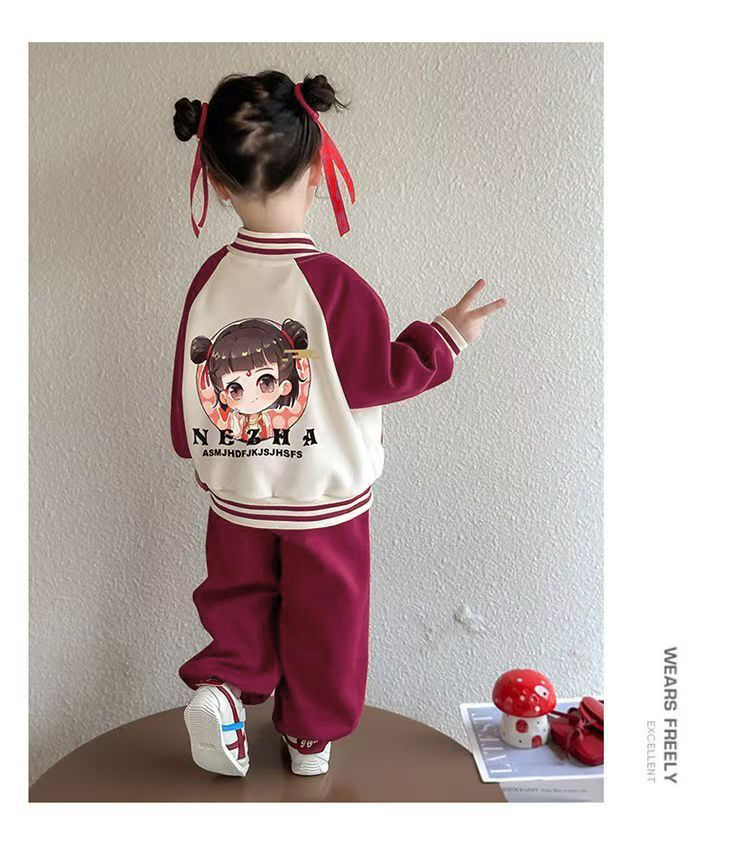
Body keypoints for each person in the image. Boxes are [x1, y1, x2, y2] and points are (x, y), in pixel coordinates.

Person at [170, 70, 506, 777]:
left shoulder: (208, 279)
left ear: (218, 183)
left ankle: (224, 690)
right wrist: (447, 335)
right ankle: (309, 740)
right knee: (327, 622)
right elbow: (380, 375)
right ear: (320, 170)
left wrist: (197, 452)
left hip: (236, 495)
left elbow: (189, 381)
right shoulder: (333, 285)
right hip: (325, 503)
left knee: (236, 601)